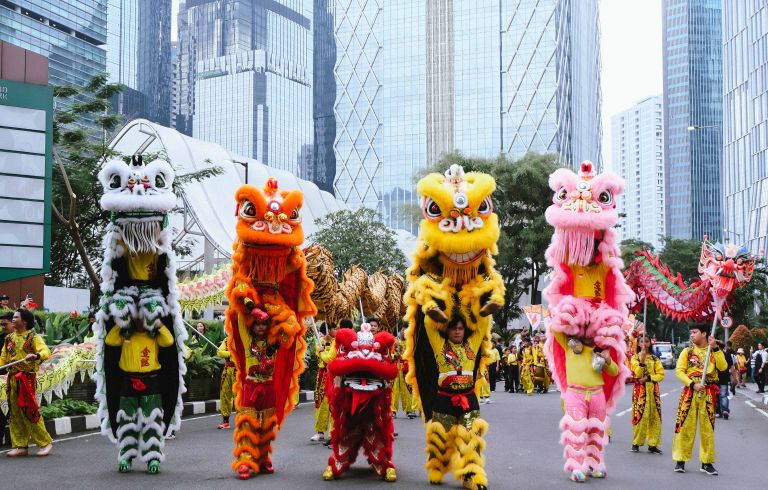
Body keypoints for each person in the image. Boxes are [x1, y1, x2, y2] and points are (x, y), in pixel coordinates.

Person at [104, 317, 175, 473]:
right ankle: (126, 456)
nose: (140, 320)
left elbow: (169, 341)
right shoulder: (124, 334)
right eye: (136, 316)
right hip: (128, 381)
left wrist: (159, 324)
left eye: (143, 316)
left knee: (152, 421)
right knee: (127, 420)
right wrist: (122, 322)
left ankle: (153, 458)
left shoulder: (155, 335)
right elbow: (110, 341)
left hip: (151, 382)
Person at [672, 325, 727, 475]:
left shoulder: (713, 351)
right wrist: (692, 384)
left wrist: (715, 348)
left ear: (704, 334)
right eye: (691, 332)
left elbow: (723, 367)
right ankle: (680, 460)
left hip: (708, 393)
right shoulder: (687, 352)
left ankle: (706, 462)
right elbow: (679, 371)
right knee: (684, 426)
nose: (691, 335)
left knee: (707, 429)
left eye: (694, 332)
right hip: (690, 392)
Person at [1, 308, 53, 457]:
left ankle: (45, 443)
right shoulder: (9, 338)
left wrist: (36, 356)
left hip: (26, 379)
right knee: (15, 414)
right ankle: (20, 446)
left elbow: (46, 352)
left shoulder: (33, 337)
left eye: (16, 317)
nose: (13, 319)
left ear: (24, 321)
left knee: (30, 411)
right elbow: (4, 358)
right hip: (12, 379)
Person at [630, 335, 664, 453]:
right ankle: (636, 442)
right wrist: (642, 361)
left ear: (650, 343)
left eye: (646, 341)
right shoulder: (634, 358)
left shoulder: (655, 359)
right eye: (641, 341)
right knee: (640, 416)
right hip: (640, 390)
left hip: (653, 390)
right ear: (638, 344)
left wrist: (649, 378)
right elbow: (638, 374)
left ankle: (653, 444)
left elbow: (661, 375)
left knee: (655, 416)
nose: (644, 344)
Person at [311, 322, 337, 441]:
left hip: (334, 375)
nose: (336, 330)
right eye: (334, 329)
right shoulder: (319, 341)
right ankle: (320, 432)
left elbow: (331, 357)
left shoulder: (337, 342)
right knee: (320, 403)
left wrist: (324, 352)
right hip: (322, 376)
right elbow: (320, 355)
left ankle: (333, 432)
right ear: (328, 330)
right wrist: (322, 350)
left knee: (333, 403)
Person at [391, 326, 416, 418]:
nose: (405, 332)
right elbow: (390, 354)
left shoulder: (411, 342)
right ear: (400, 330)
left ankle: (409, 410)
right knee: (394, 389)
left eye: (407, 330)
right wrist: (394, 356)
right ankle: (392, 411)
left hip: (407, 368)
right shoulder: (394, 341)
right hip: (395, 367)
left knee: (408, 389)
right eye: (403, 330)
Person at [0, 311, 15, 446]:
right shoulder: (2, 339)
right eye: (1, 325)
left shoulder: (22, 339)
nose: (3, 327)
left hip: (16, 379)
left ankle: (16, 441)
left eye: (5, 324)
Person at [217, 334, 236, 429]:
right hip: (227, 369)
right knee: (224, 394)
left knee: (239, 396)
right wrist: (230, 353)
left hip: (239, 371)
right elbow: (219, 352)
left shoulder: (245, 338)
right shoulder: (226, 340)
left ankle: (243, 420)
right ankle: (225, 421)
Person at [716, 340, 734, 419]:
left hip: (714, 378)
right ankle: (725, 411)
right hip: (724, 378)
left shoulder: (713, 354)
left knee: (715, 395)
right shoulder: (727, 354)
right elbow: (732, 367)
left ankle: (719, 412)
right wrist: (735, 378)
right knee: (723, 395)